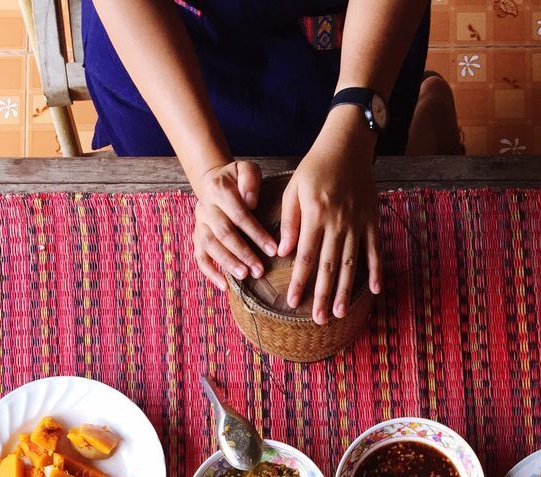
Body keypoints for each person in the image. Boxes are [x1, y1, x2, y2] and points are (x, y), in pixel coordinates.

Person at [81, 0, 461, 323]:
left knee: (368, 178)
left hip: (339, 42)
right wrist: (207, 170)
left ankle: (428, 115)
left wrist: (354, 124)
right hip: (162, 43)